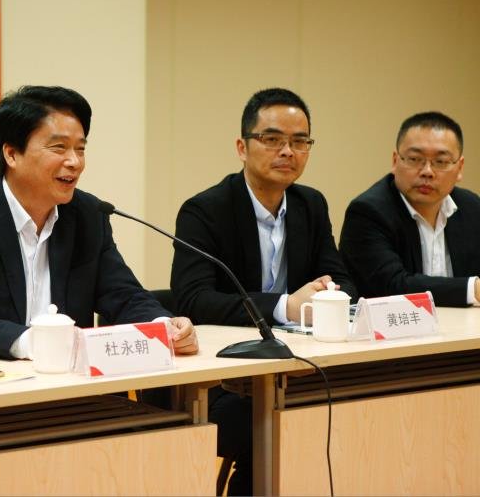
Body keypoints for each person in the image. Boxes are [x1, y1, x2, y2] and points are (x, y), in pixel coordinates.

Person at [0, 85, 198, 359]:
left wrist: (163, 326)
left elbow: (123, 295)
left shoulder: (89, 215)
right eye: (59, 148)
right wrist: (33, 343)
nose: (74, 162)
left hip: (66, 380)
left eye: (80, 149)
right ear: (12, 154)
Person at [170, 87, 356, 495]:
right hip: (224, 379)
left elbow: (343, 281)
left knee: (354, 406)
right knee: (267, 424)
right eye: (272, 139)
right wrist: (285, 306)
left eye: (300, 141)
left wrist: (328, 293)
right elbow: (193, 299)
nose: (287, 151)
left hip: (298, 368)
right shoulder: (205, 211)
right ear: (242, 147)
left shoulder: (311, 205)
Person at [340, 111, 480, 306]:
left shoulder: (472, 208)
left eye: (441, 162)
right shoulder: (368, 212)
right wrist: (473, 289)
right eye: (415, 159)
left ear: (460, 168)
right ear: (395, 161)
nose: (427, 172)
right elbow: (393, 286)